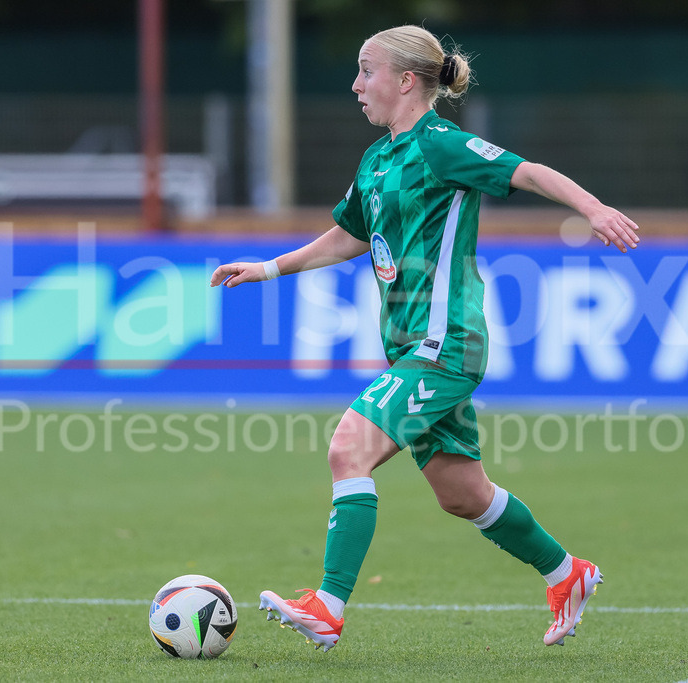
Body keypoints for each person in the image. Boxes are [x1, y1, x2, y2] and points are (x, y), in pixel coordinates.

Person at [209, 24, 639, 652]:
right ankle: (566, 573)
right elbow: (351, 235)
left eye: (367, 70)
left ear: (407, 80)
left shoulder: (442, 145)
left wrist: (593, 209)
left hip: (445, 343)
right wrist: (270, 268)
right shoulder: (378, 158)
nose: (356, 85)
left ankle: (328, 605)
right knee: (462, 494)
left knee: (348, 450)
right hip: (410, 345)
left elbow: (528, 172)